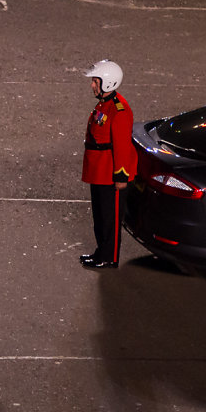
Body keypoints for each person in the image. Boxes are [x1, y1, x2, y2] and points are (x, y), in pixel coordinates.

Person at [80, 60, 136, 270]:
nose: (93, 85)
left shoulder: (119, 111)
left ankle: (109, 258)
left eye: (95, 81)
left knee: (110, 221)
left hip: (110, 176)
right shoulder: (105, 104)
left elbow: (121, 147)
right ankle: (101, 252)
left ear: (108, 83)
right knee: (100, 218)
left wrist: (121, 178)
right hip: (99, 172)